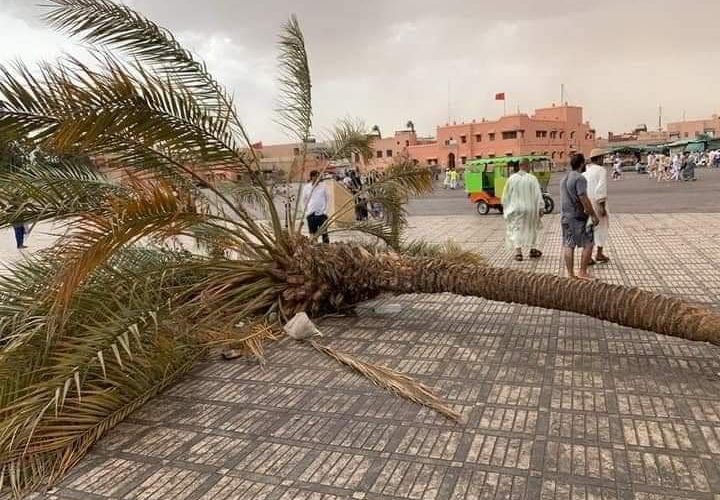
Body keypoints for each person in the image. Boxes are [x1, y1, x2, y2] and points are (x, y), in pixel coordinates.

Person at [561, 153, 599, 280]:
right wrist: (593, 215)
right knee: (589, 243)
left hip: (565, 216)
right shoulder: (579, 178)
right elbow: (583, 197)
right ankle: (582, 271)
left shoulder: (564, 178)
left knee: (569, 244)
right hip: (577, 217)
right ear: (582, 164)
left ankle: (570, 274)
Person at [501, 160, 544, 262]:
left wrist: (506, 207)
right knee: (532, 228)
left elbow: (505, 196)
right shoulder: (532, 178)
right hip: (530, 209)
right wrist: (541, 207)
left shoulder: (511, 179)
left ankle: (518, 253)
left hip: (516, 209)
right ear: (526, 165)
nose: (530, 167)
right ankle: (532, 249)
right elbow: (538, 194)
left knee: (516, 229)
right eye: (529, 165)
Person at [583, 149, 610, 264]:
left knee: (589, 229)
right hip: (597, 203)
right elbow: (601, 189)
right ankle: (599, 253)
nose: (603, 160)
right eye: (602, 158)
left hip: (587, 204)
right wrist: (602, 207)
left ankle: (588, 256)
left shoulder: (586, 171)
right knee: (601, 228)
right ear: (598, 159)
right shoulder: (601, 170)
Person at [302, 170, 330, 243]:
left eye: (319, 176)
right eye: (316, 176)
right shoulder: (306, 187)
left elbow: (328, 199)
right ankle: (314, 247)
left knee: (324, 233)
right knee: (312, 234)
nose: (318, 178)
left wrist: (325, 211)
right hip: (311, 214)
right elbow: (304, 200)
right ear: (312, 177)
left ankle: (326, 247)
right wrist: (306, 212)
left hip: (322, 214)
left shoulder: (324, 187)